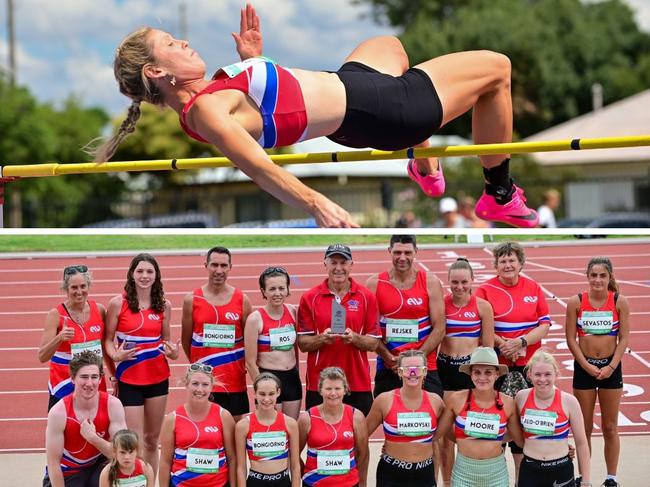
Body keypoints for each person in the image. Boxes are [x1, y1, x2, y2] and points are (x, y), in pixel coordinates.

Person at [102, 4, 538, 228]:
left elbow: (284, 106)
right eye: (172, 45)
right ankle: (499, 194)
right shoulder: (207, 110)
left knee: (389, 45)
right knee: (497, 68)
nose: (184, 43)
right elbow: (259, 167)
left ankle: (422, 160)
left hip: (353, 97)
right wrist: (317, 203)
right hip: (385, 110)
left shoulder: (216, 93)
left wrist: (254, 59)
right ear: (156, 72)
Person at [475, 241, 551, 480]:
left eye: (511, 260)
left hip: (528, 366)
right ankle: (494, 478)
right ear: (496, 265)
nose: (507, 265)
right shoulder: (485, 290)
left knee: (525, 421)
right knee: (497, 420)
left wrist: (522, 342)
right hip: (499, 367)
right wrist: (504, 345)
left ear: (520, 263)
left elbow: (545, 325)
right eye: (503, 261)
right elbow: (480, 326)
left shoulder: (534, 287)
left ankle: (522, 478)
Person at [104, 253, 180, 474]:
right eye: (140, 271)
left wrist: (173, 353)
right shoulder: (118, 303)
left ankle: (149, 481)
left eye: (149, 271)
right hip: (129, 378)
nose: (144, 276)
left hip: (157, 378)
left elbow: (166, 341)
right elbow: (108, 339)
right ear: (132, 274)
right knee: (133, 439)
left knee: (151, 439)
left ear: (156, 275)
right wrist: (116, 356)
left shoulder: (164, 306)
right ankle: (133, 481)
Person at [565, 257, 630, 487]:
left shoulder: (620, 301)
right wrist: (586, 365)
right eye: (593, 275)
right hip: (585, 368)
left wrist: (611, 365)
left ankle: (612, 478)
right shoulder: (576, 301)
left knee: (610, 427)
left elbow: (624, 338)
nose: (598, 280)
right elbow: (570, 339)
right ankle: (586, 477)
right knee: (584, 427)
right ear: (587, 276)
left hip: (611, 368)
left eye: (602, 275)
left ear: (610, 277)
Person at [297, 244, 381, 416]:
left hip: (357, 381)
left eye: (343, 263)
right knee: (318, 434)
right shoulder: (310, 298)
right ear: (325, 264)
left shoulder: (366, 297)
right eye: (333, 262)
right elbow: (303, 344)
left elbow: (374, 343)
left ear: (351, 265)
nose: (338, 268)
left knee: (359, 435)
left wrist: (355, 338)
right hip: (320, 383)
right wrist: (321, 338)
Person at [365, 235, 445, 398]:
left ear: (415, 252)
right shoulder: (374, 284)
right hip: (389, 365)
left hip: (424, 365)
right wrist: (389, 358)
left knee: (430, 416)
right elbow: (370, 331)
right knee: (386, 415)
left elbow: (440, 328)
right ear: (389, 251)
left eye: (407, 253)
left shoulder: (430, 282)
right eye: (397, 252)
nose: (402, 258)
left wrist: (417, 359)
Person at [437, 258, 494, 486]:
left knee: (471, 430)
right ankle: (448, 482)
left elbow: (488, 348)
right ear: (448, 282)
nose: (459, 287)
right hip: (445, 370)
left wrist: (485, 379)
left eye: (463, 282)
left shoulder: (482, 307)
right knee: (445, 435)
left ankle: (472, 480)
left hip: (470, 373)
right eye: (454, 282)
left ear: (472, 281)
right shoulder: (441, 304)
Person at [182, 246, 253, 421]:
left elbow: (250, 342)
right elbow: (186, 341)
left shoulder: (242, 300)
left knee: (234, 438)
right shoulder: (192, 300)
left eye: (223, 265)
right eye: (214, 265)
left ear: (230, 267)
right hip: (204, 384)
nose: (219, 271)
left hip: (234, 383)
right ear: (206, 265)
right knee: (206, 437)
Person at [436, 347, 523, 487]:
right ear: (470, 374)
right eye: (477, 372)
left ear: (497, 374)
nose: (482, 377)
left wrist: (560, 445)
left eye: (488, 372)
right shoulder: (456, 399)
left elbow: (519, 440)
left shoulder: (508, 403)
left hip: (496, 475)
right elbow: (438, 433)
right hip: (463, 475)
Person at [44, 351, 127, 487]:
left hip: (98, 467)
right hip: (68, 472)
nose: (89, 383)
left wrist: (93, 438)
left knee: (123, 469)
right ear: (72, 378)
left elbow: (122, 454)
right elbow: (53, 464)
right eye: (84, 377)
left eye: (94, 377)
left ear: (100, 379)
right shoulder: (59, 413)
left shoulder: (113, 405)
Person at [366, 350, 445, 487]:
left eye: (417, 369)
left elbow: (438, 440)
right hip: (392, 474)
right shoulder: (384, 400)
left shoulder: (436, 401)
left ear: (425, 371)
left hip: (424, 473)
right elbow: (362, 435)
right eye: (407, 369)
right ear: (399, 372)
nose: (412, 373)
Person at [515, 350, 591, 487]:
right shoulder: (521, 397)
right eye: (537, 374)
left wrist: (586, 480)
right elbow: (512, 433)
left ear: (556, 374)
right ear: (529, 375)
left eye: (547, 374)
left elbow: (581, 443)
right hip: (530, 470)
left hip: (561, 471)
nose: (542, 379)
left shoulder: (569, 401)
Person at [38, 265, 108, 410]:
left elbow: (104, 347)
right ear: (66, 289)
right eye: (74, 287)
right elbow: (42, 356)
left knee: (96, 427)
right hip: (64, 384)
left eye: (83, 286)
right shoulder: (56, 315)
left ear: (89, 286)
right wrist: (59, 338)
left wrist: (113, 376)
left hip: (92, 383)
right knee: (63, 429)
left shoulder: (99, 310)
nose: (79, 292)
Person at [159, 363, 237, 487]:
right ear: (186, 384)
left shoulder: (224, 416)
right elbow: (165, 462)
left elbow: (232, 459)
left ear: (212, 387)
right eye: (195, 384)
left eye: (205, 385)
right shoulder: (172, 419)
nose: (199, 390)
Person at [244, 267, 301, 419]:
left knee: (291, 427)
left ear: (288, 289)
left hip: (292, 379)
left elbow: (295, 349)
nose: (277, 293)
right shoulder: (255, 319)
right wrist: (262, 388)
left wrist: (297, 373)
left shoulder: (292, 312)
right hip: (268, 378)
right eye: (272, 289)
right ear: (263, 291)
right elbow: (250, 362)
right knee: (272, 429)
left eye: (282, 288)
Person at [298, 367, 369, 487]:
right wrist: (305, 476)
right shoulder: (307, 418)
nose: (333, 393)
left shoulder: (356, 416)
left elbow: (363, 454)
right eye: (328, 389)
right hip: (314, 483)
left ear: (345, 390)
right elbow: (295, 454)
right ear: (320, 390)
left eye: (337, 388)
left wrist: (362, 482)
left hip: (349, 483)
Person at [234, 373, 301, 487]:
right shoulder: (243, 426)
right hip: (256, 482)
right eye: (262, 394)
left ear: (278, 393)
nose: (266, 399)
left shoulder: (290, 424)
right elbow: (241, 467)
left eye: (271, 394)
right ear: (254, 393)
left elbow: (295, 465)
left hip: (283, 482)